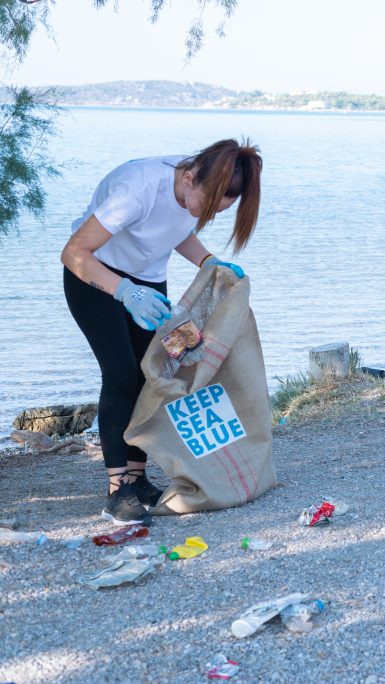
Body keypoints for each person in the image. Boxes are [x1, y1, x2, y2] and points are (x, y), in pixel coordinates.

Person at [61, 139, 262, 525]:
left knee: (156, 373)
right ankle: (117, 492)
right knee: (120, 376)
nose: (208, 216)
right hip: (95, 277)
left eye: (219, 212)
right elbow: (74, 253)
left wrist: (209, 262)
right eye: (208, 207)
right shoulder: (137, 188)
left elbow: (176, 228)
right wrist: (124, 292)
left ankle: (137, 480)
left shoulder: (195, 186)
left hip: (149, 283)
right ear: (189, 179)